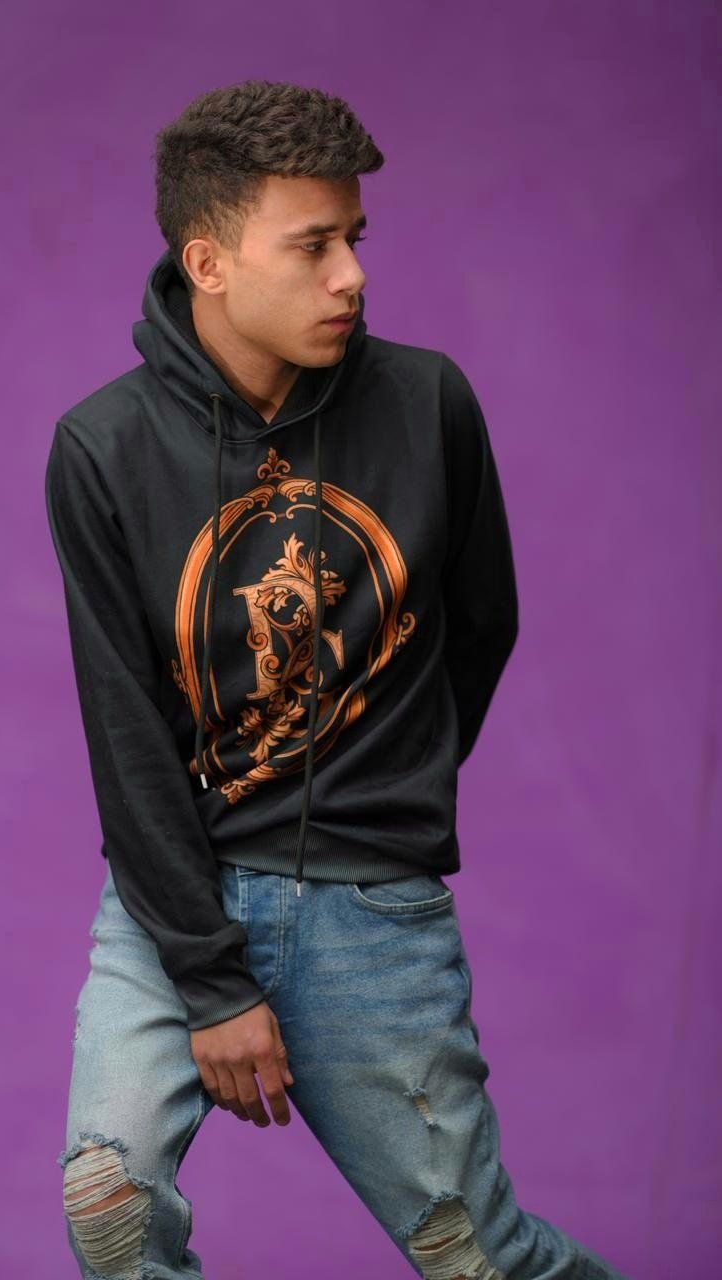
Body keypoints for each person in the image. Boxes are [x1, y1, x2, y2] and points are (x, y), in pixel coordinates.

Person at [45, 78, 630, 1280]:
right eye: (312, 246)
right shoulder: (103, 448)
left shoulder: (426, 403)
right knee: (110, 1207)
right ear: (208, 263)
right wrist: (210, 980)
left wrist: (381, 784)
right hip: (175, 895)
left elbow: (481, 623)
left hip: (372, 907)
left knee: (481, 1258)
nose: (351, 275)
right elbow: (126, 731)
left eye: (354, 238)